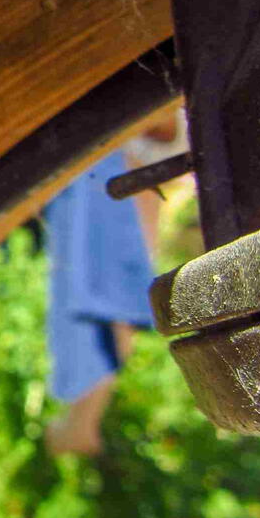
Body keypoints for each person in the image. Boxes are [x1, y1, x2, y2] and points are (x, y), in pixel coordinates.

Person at [42, 109, 186, 456]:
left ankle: (82, 422)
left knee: (109, 310)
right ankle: (80, 421)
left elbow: (163, 123)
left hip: (113, 176)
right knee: (101, 308)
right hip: (103, 173)